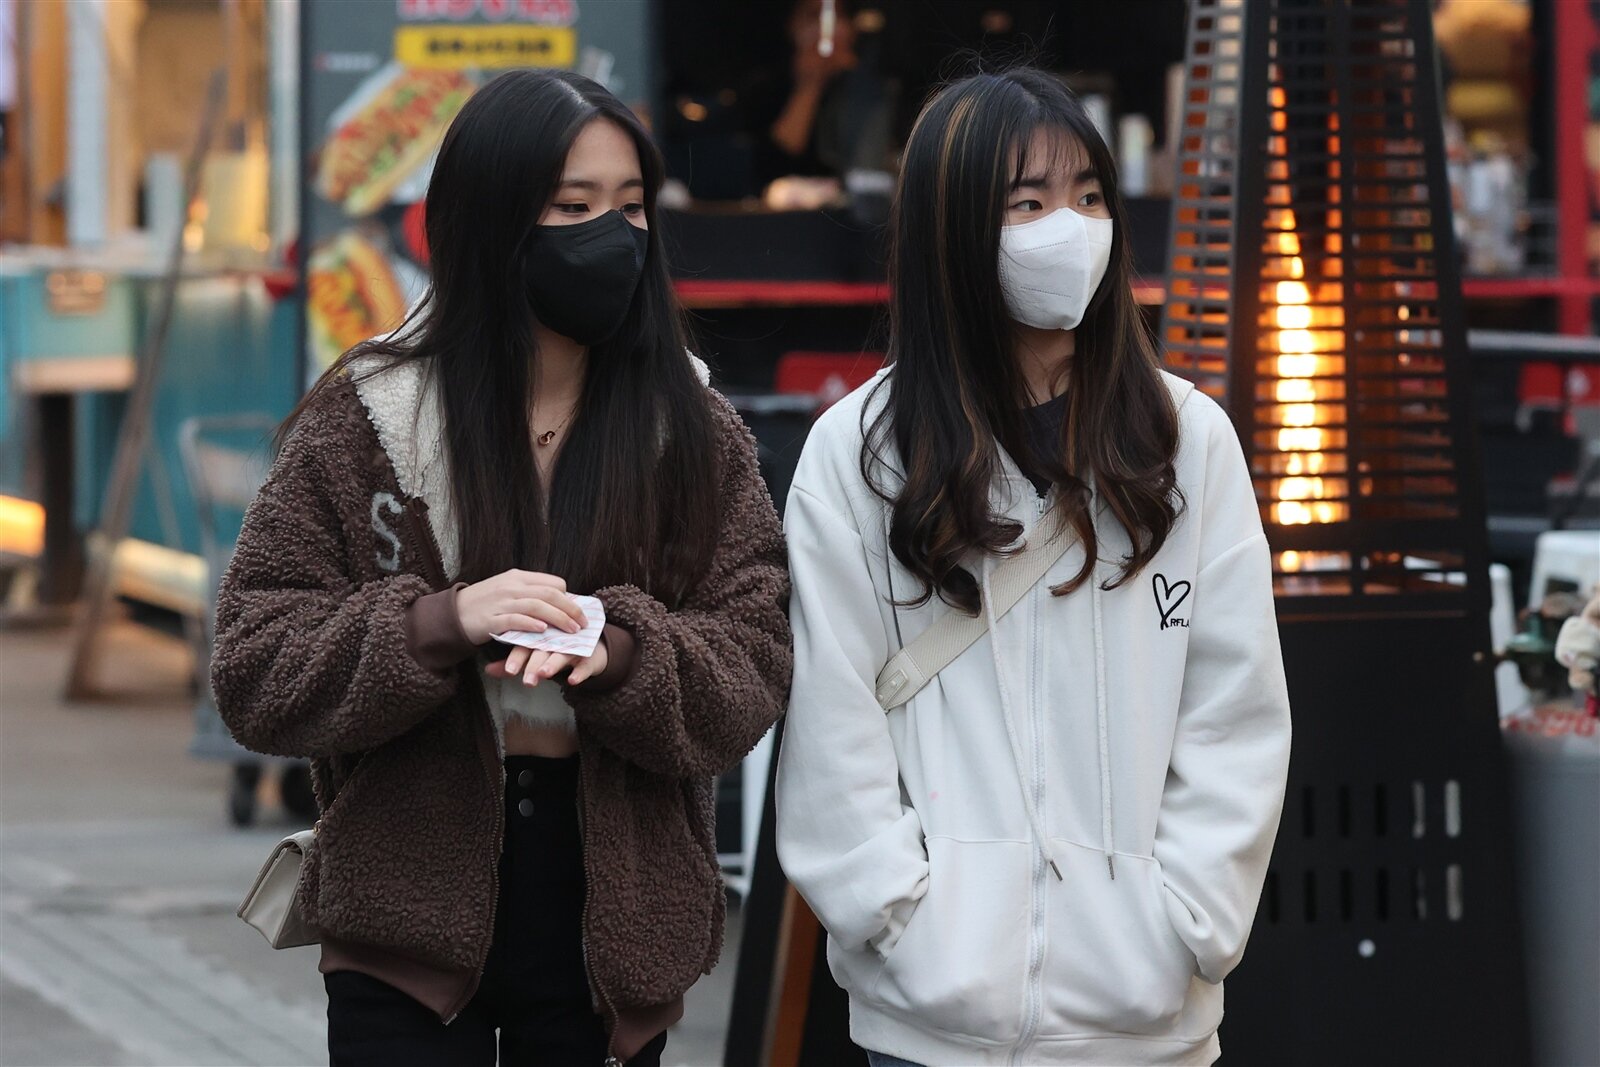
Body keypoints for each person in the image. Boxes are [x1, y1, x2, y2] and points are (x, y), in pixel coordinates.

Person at [212, 70, 792, 1067]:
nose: (610, 234)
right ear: (485, 217)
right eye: (572, 207)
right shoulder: (365, 422)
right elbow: (256, 667)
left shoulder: (692, 433)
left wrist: (617, 650)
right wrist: (437, 623)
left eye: (631, 207)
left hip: (614, 919)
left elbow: (752, 667)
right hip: (403, 908)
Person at [776, 68, 1292, 1067]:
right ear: (952, 230)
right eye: (1028, 202)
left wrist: (1186, 918)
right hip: (930, 1017)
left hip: (1145, 1016)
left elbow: (1234, 710)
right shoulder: (861, 453)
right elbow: (832, 715)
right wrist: (899, 917)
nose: (1070, 227)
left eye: (1088, 196)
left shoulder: (1186, 440)